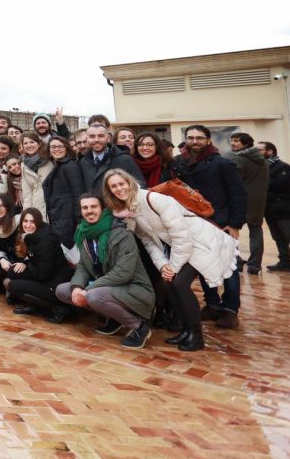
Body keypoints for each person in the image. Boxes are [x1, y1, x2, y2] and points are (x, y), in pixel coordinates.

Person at [103, 170, 238, 351]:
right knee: (169, 283)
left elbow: (181, 236)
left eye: (122, 183)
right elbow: (148, 241)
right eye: (114, 186)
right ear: (109, 191)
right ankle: (185, 331)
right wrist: (163, 265)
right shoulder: (128, 210)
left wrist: (173, 267)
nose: (119, 189)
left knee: (180, 283)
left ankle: (196, 337)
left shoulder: (154, 199)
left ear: (130, 182)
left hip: (203, 243)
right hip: (185, 248)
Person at [55, 194, 156, 348]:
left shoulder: (121, 234)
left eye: (93, 206)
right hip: (107, 287)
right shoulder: (84, 233)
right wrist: (77, 288)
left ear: (103, 209)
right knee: (62, 291)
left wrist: (87, 289)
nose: (89, 211)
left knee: (93, 296)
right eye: (85, 207)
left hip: (135, 288)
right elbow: (82, 266)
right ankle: (115, 317)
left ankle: (139, 326)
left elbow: (123, 273)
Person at [170, 125, 247, 328]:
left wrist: (235, 223)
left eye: (199, 138)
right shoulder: (178, 163)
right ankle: (212, 304)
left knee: (229, 268)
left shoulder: (223, 163)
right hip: (195, 224)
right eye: (190, 138)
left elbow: (238, 195)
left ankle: (230, 310)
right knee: (202, 265)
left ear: (208, 140)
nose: (195, 141)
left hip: (221, 223)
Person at [2, 208, 72, 322]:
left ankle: (58, 308)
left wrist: (28, 263)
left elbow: (42, 274)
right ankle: (35, 306)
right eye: (25, 221)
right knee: (12, 272)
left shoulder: (45, 241)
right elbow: (36, 261)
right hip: (44, 276)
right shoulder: (33, 236)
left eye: (32, 221)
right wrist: (25, 262)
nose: (28, 225)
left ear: (38, 223)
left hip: (54, 285)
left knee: (11, 284)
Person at [226, 132, 269, 275]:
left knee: (231, 232)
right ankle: (255, 266)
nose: (232, 143)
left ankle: (236, 263)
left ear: (245, 144)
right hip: (258, 201)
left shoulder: (239, 159)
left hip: (241, 200)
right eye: (231, 140)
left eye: (236, 141)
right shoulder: (262, 159)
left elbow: (233, 182)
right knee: (256, 232)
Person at [259, 141, 290, 274]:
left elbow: (281, 186)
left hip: (282, 208)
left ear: (270, 151)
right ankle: (285, 262)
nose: (257, 153)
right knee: (277, 236)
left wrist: (260, 184)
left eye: (260, 150)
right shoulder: (263, 168)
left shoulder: (283, 167)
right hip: (269, 208)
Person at [42, 135, 84, 249]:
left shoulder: (70, 166)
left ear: (67, 148)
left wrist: (79, 221)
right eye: (53, 147)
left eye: (60, 146)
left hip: (68, 220)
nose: (57, 149)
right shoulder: (58, 166)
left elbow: (78, 194)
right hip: (59, 218)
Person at [78, 123, 144, 194]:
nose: (96, 139)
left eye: (101, 136)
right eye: (92, 136)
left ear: (108, 138)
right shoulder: (83, 162)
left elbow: (140, 187)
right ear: (87, 139)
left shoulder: (125, 159)